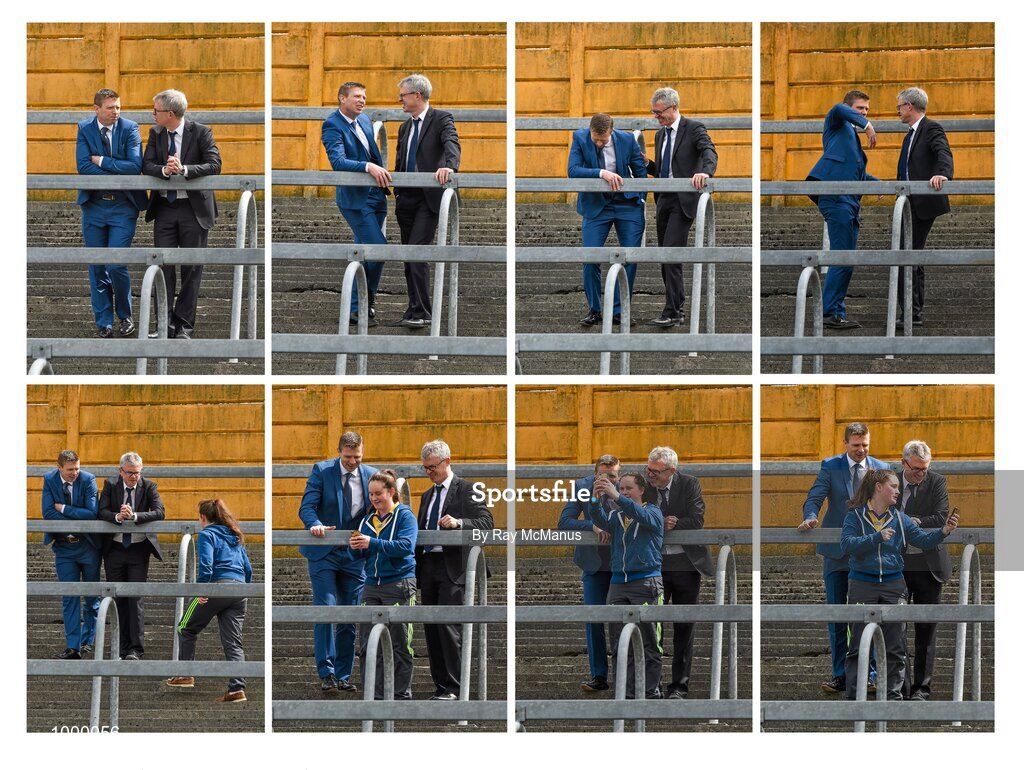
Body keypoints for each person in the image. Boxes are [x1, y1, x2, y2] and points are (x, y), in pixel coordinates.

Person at [841, 468, 958, 700]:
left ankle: (893, 696)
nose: (897, 491)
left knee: (895, 646)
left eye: (897, 487)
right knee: (856, 645)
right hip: (862, 584)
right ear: (878, 488)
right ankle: (854, 696)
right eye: (893, 487)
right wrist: (876, 537)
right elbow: (847, 545)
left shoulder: (901, 518)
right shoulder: (854, 516)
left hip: (894, 585)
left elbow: (923, 540)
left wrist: (944, 531)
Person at [800, 422, 888, 694]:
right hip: (837, 553)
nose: (861, 450)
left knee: (867, 614)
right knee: (837, 615)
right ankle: (840, 674)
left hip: (869, 552)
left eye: (865, 445)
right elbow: (814, 497)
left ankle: (869, 674)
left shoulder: (881, 468)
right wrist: (811, 516)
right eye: (856, 445)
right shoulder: (830, 466)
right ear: (845, 443)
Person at [298, 431, 377, 693]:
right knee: (327, 610)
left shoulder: (371, 475)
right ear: (339, 452)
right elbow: (306, 507)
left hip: (355, 555)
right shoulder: (322, 470)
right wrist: (316, 524)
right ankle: (327, 672)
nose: (353, 461)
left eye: (357, 456)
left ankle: (343, 675)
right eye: (348, 456)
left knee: (349, 616)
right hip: (325, 553)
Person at [415, 439, 493, 699]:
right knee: (432, 628)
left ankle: (456, 688)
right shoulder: (426, 495)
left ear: (447, 461)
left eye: (432, 467)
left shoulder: (468, 489)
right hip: (429, 567)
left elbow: (487, 522)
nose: (429, 472)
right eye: (425, 468)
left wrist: (459, 522)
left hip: (454, 569)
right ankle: (441, 686)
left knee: (450, 628)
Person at [143, 89, 222, 340]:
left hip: (193, 210)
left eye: (156, 110)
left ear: (170, 113)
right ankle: (164, 325)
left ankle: (184, 326)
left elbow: (215, 164)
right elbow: (146, 165)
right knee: (162, 266)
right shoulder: (155, 133)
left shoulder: (200, 131)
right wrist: (165, 171)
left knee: (191, 269)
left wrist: (185, 169)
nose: (152, 114)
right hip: (165, 208)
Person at [643, 86, 718, 327]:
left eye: (659, 112)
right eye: (653, 112)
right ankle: (677, 305)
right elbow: (665, 169)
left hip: (683, 200)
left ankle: (673, 311)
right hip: (663, 198)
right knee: (665, 256)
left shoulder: (693, 128)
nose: (656, 117)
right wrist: (647, 165)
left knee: (671, 254)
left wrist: (705, 171)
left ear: (673, 107)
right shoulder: (660, 134)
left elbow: (709, 150)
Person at [75, 88, 147, 338]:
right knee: (97, 267)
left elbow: (135, 166)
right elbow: (83, 166)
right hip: (93, 205)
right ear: (96, 109)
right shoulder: (84, 128)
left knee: (116, 264)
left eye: (118, 107)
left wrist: (103, 162)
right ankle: (104, 322)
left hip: (123, 206)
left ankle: (125, 316)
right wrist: (116, 171)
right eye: (110, 107)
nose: (116, 112)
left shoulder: (130, 128)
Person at [166, 499, 253, 703]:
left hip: (216, 587)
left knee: (185, 627)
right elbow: (248, 569)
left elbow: (206, 565)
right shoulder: (234, 535)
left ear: (203, 517)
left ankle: (186, 673)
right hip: (240, 591)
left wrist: (201, 590)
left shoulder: (207, 534)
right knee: (233, 642)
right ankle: (236, 689)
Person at [806, 90, 879, 330]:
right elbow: (838, 109)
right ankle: (829, 312)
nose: (864, 113)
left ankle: (836, 311)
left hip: (849, 200)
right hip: (835, 197)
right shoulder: (837, 123)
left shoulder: (852, 143)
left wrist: (878, 185)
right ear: (850, 108)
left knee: (847, 259)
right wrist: (866, 125)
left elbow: (856, 174)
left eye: (867, 110)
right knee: (842, 257)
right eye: (860, 108)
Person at [322, 81, 392, 327]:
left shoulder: (364, 121)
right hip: (355, 198)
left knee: (365, 252)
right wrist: (368, 167)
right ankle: (366, 299)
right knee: (378, 250)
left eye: (364, 96)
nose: (362, 100)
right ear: (342, 98)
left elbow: (372, 152)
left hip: (376, 195)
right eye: (356, 97)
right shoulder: (332, 124)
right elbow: (338, 161)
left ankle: (356, 308)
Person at [393, 74, 461, 328]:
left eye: (403, 95)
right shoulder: (404, 126)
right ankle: (414, 310)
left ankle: (423, 312)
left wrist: (450, 167)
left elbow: (451, 142)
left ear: (417, 96)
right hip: (406, 198)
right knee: (408, 255)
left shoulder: (441, 118)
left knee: (417, 252)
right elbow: (401, 160)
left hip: (429, 198)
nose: (400, 99)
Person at [645, 446, 713, 699]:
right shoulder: (644, 486)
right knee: (653, 627)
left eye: (656, 472)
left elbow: (697, 519)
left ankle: (679, 687)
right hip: (654, 565)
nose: (650, 475)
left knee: (684, 627)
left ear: (671, 470)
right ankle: (653, 686)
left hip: (686, 564)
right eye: (648, 469)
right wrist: (658, 521)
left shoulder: (689, 484)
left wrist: (672, 522)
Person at [589, 471, 664, 699]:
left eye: (628, 488)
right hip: (618, 584)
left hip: (646, 581)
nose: (623, 493)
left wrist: (618, 498)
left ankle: (650, 692)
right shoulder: (617, 515)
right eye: (621, 489)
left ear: (641, 490)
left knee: (651, 642)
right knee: (620, 644)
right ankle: (626, 693)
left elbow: (642, 517)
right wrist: (595, 498)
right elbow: (600, 520)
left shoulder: (653, 511)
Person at [567, 114, 647, 326]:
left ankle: (619, 312)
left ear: (611, 130)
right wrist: (601, 173)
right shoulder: (580, 138)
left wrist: (641, 200)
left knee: (629, 256)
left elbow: (640, 171)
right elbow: (573, 170)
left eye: (603, 139)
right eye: (596, 139)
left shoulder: (628, 140)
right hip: (596, 205)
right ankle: (595, 310)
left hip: (627, 204)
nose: (599, 143)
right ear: (590, 130)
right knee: (590, 257)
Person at [350, 469, 418, 699]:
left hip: (399, 584)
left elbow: (405, 546)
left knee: (400, 643)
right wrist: (356, 547)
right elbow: (362, 554)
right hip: (371, 585)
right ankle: (373, 694)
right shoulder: (367, 520)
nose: (374, 499)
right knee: (367, 644)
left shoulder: (405, 516)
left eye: (378, 493)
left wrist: (372, 543)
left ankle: (400, 695)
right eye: (370, 494)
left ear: (391, 492)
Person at [557, 454, 620, 691]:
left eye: (612, 476)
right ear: (595, 474)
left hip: (621, 563)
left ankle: (624, 674)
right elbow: (564, 521)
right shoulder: (582, 486)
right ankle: (599, 676)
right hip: (594, 563)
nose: (607, 480)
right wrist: (591, 526)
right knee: (593, 619)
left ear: (619, 475)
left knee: (620, 621)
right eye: (602, 476)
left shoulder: (626, 488)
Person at [895, 440, 951, 701]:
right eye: (917, 469)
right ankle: (900, 688)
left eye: (925, 468)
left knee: (926, 631)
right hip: (898, 565)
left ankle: (921, 689)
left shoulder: (936, 481)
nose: (922, 474)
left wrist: (914, 522)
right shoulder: (888, 480)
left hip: (928, 567)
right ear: (903, 462)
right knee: (896, 630)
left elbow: (941, 517)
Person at [894, 87, 954, 327]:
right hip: (907, 202)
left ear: (909, 106)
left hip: (922, 202)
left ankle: (911, 312)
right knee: (908, 254)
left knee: (906, 254)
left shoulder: (931, 128)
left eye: (899, 106)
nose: (897, 110)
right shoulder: (909, 134)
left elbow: (943, 152)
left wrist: (942, 173)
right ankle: (911, 311)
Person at [97, 451, 165, 660]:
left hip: (138, 549)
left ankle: (135, 649)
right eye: (130, 473)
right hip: (115, 549)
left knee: (135, 598)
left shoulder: (150, 486)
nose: (134, 477)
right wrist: (118, 516)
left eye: (137, 473)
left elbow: (160, 511)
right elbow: (102, 511)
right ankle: (120, 646)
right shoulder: (110, 485)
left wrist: (134, 516)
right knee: (117, 598)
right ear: (121, 472)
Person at [41, 450, 100, 659]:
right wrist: (77, 513)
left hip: (88, 546)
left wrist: (64, 508)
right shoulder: (49, 479)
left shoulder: (88, 479)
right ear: (59, 469)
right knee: (70, 597)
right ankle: (73, 647)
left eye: (77, 468)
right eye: (69, 470)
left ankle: (88, 640)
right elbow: (48, 513)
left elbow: (92, 513)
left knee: (92, 597)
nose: (74, 472)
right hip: (64, 548)